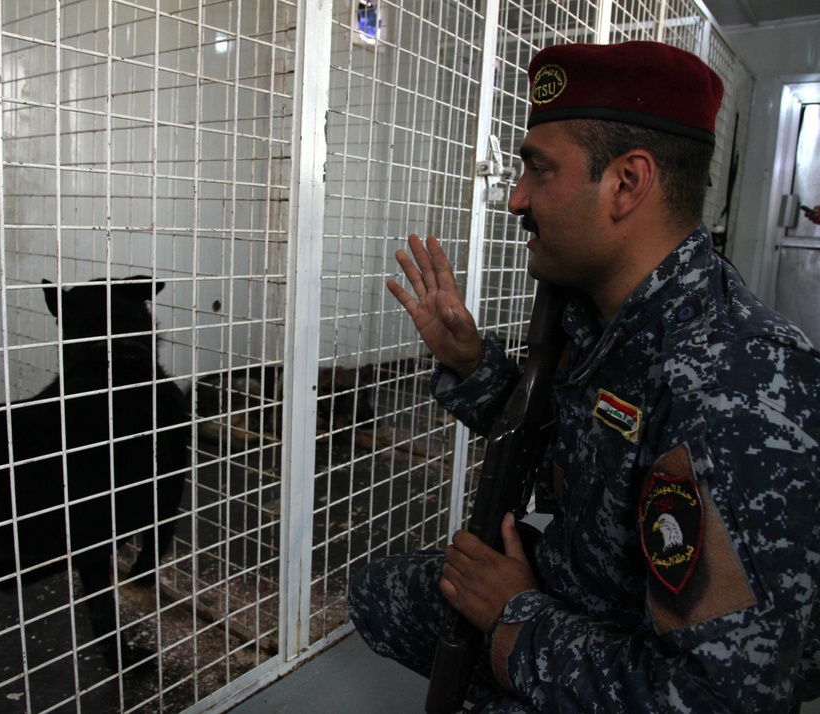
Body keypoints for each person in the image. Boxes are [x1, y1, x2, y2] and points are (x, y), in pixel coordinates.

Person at [348, 41, 820, 713]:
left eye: (538, 170)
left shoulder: (735, 385)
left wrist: (518, 620)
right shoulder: (603, 314)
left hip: (632, 646)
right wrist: (472, 365)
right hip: (585, 591)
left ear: (627, 184)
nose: (516, 199)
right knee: (380, 594)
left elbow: (717, 699)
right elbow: (568, 446)